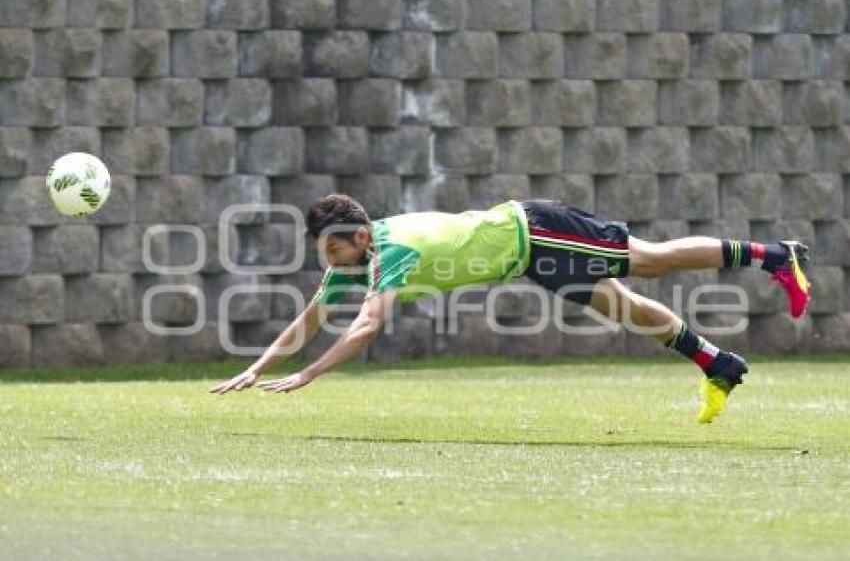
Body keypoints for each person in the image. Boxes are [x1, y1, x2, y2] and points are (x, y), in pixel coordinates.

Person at [210, 193, 811, 423]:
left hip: (539, 231)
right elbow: (310, 317)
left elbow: (368, 326)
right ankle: (717, 365)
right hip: (531, 259)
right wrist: (259, 366)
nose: (327, 257)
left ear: (359, 239)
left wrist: (309, 374)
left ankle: (775, 256)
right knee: (626, 310)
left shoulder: (389, 252)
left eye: (332, 246)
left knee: (650, 262)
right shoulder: (355, 261)